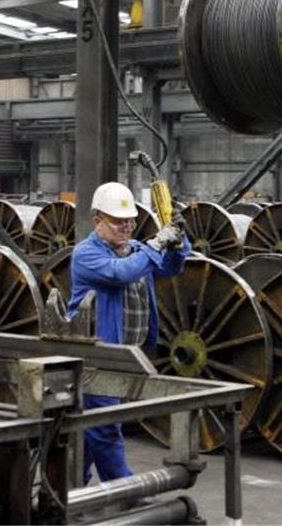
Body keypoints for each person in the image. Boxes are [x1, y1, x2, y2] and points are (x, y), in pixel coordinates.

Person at [68, 181, 190, 485]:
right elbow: (119, 274)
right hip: (97, 355)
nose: (126, 227)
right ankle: (126, 492)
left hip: (127, 354)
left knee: (89, 425)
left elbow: (171, 269)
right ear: (98, 222)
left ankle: (70, 486)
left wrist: (178, 243)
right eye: (118, 221)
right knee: (105, 426)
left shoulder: (136, 250)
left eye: (130, 221)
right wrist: (156, 244)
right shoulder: (86, 254)